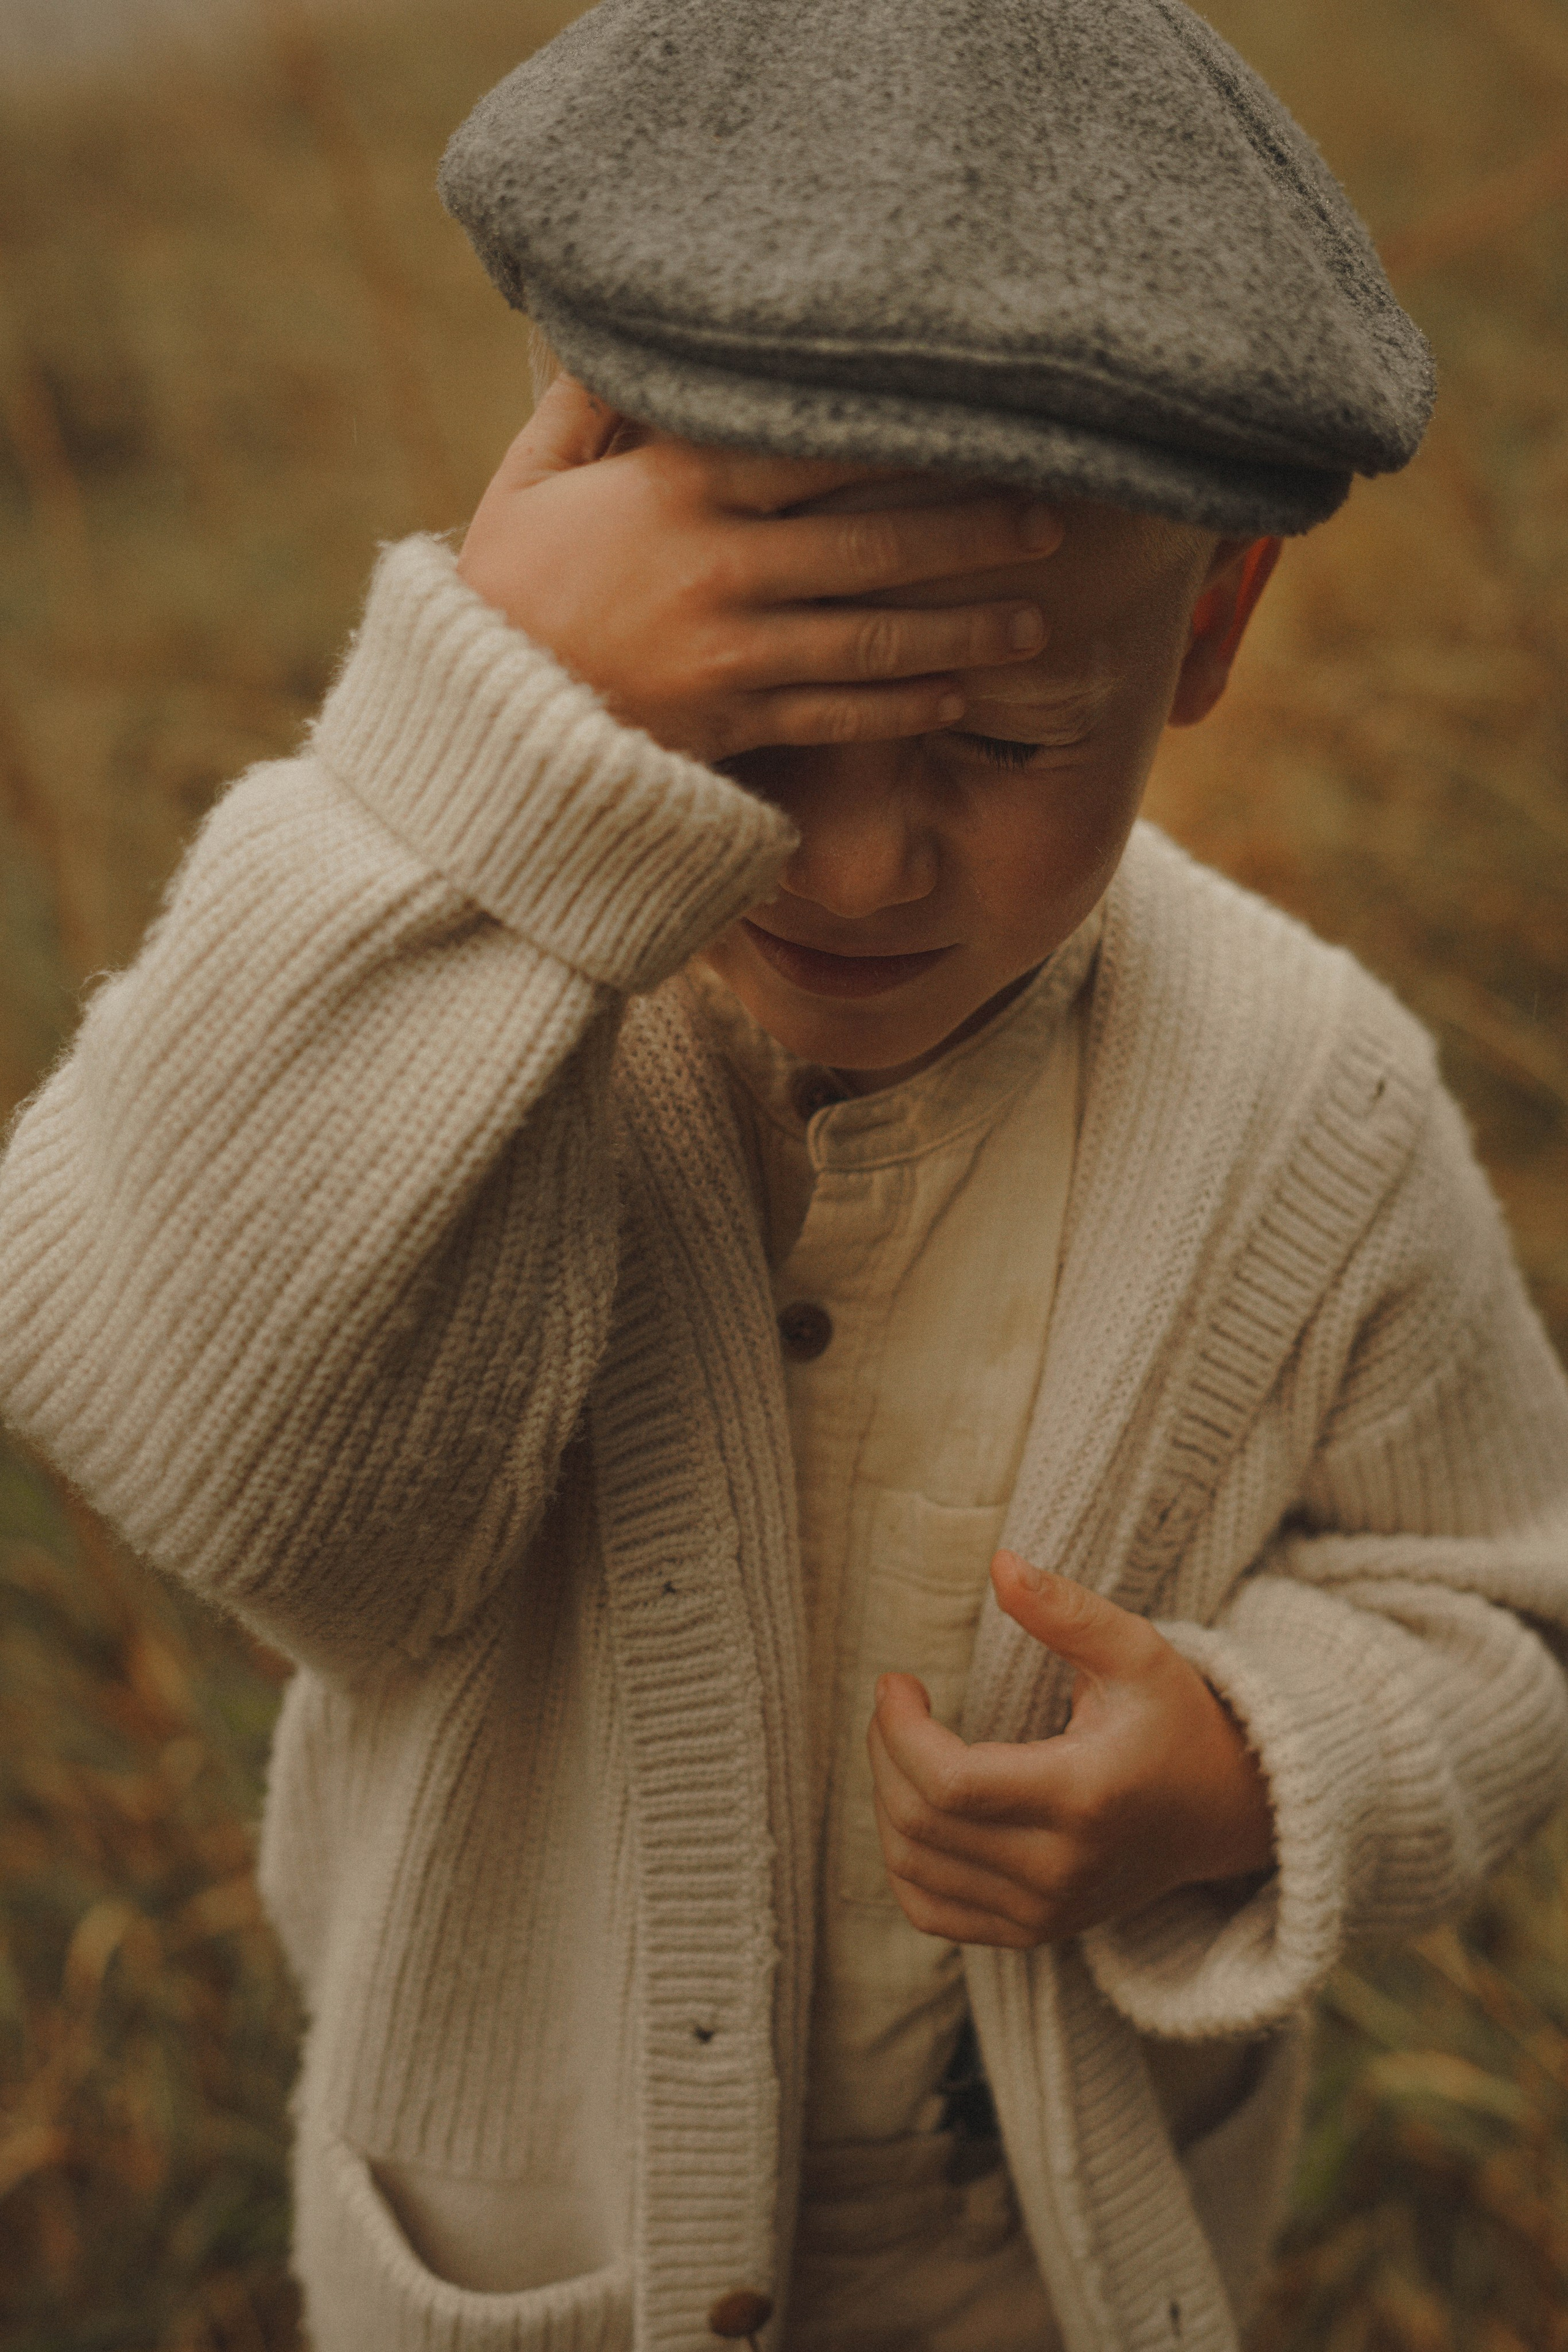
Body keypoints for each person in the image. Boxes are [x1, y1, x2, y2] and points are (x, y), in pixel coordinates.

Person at [2, 4, 1566, 2350]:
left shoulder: (1302, 1099)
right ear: (569, 589)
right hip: (522, 2282)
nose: (849, 859)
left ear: (1214, 624)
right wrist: (467, 764)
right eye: (744, 728)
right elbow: (237, 1484)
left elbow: (1505, 1612)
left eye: (998, 733)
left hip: (1046, 2288)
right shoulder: (433, 984)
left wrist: (1255, 1761)